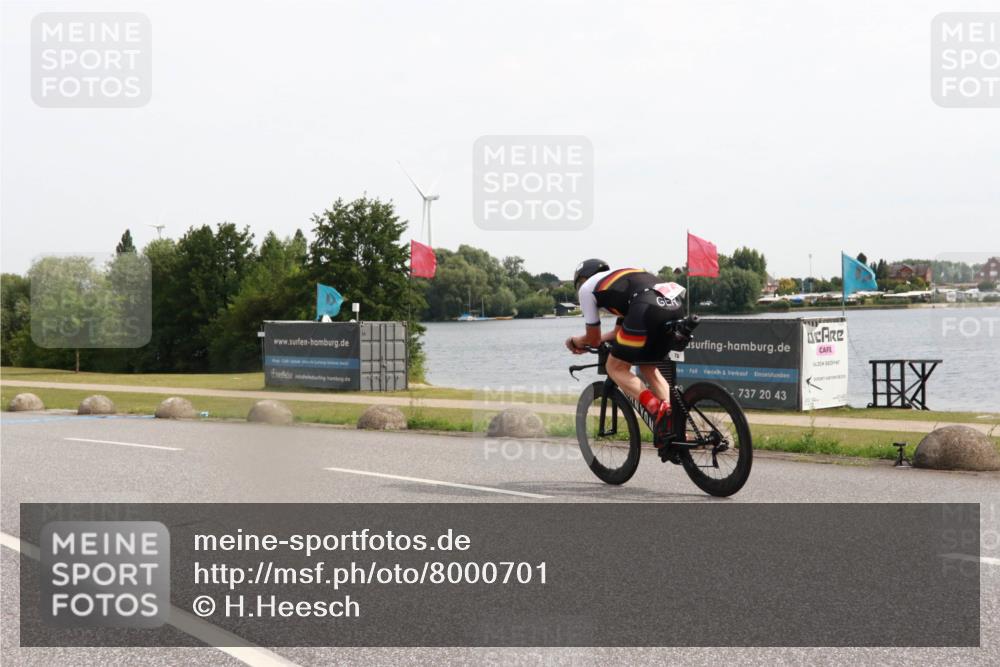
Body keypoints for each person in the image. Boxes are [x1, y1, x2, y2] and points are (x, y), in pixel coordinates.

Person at [564, 259, 684, 437]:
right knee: (648, 366)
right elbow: (617, 333)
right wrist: (594, 340)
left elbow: (593, 338)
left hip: (645, 305)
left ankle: (655, 408)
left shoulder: (587, 288)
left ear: (582, 279)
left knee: (615, 367)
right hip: (673, 303)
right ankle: (676, 426)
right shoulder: (620, 281)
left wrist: (576, 341)